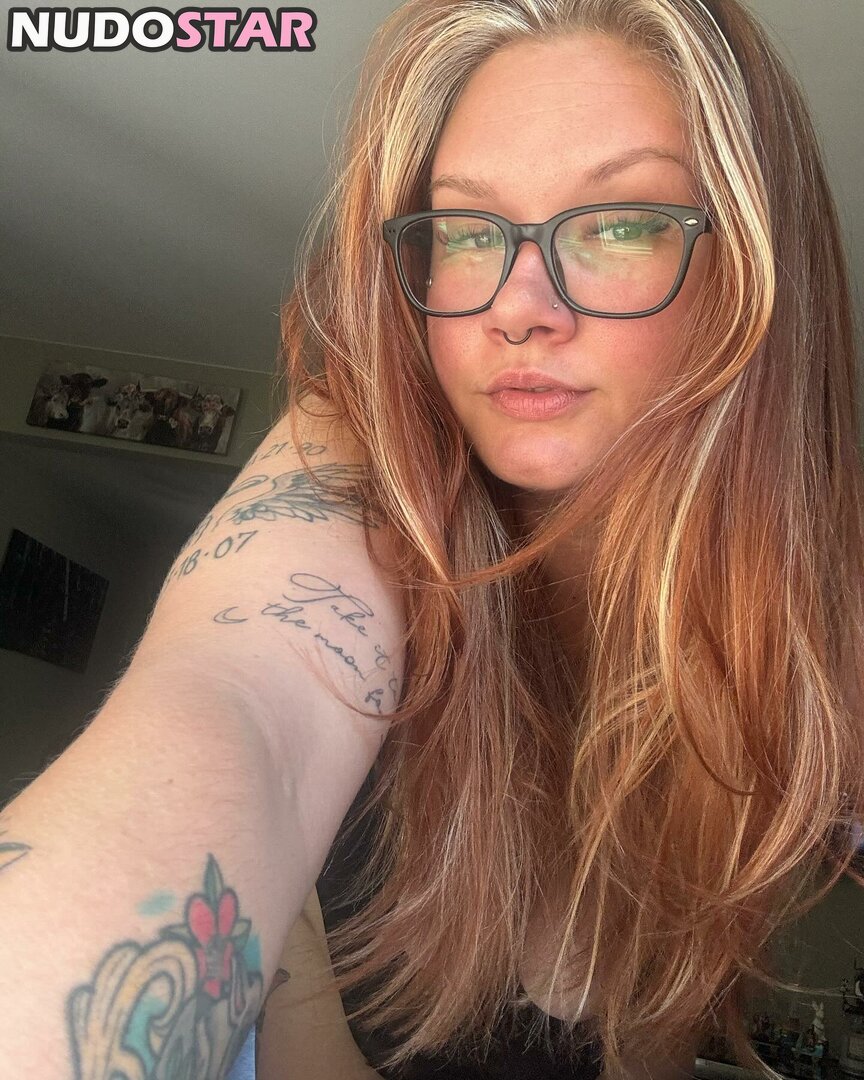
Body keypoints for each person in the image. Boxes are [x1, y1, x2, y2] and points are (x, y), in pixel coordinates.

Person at [0, 0, 861, 1078]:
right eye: (466, 232)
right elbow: (240, 701)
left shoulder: (801, 618)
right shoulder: (357, 460)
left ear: (753, 273)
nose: (519, 307)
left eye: (621, 222)